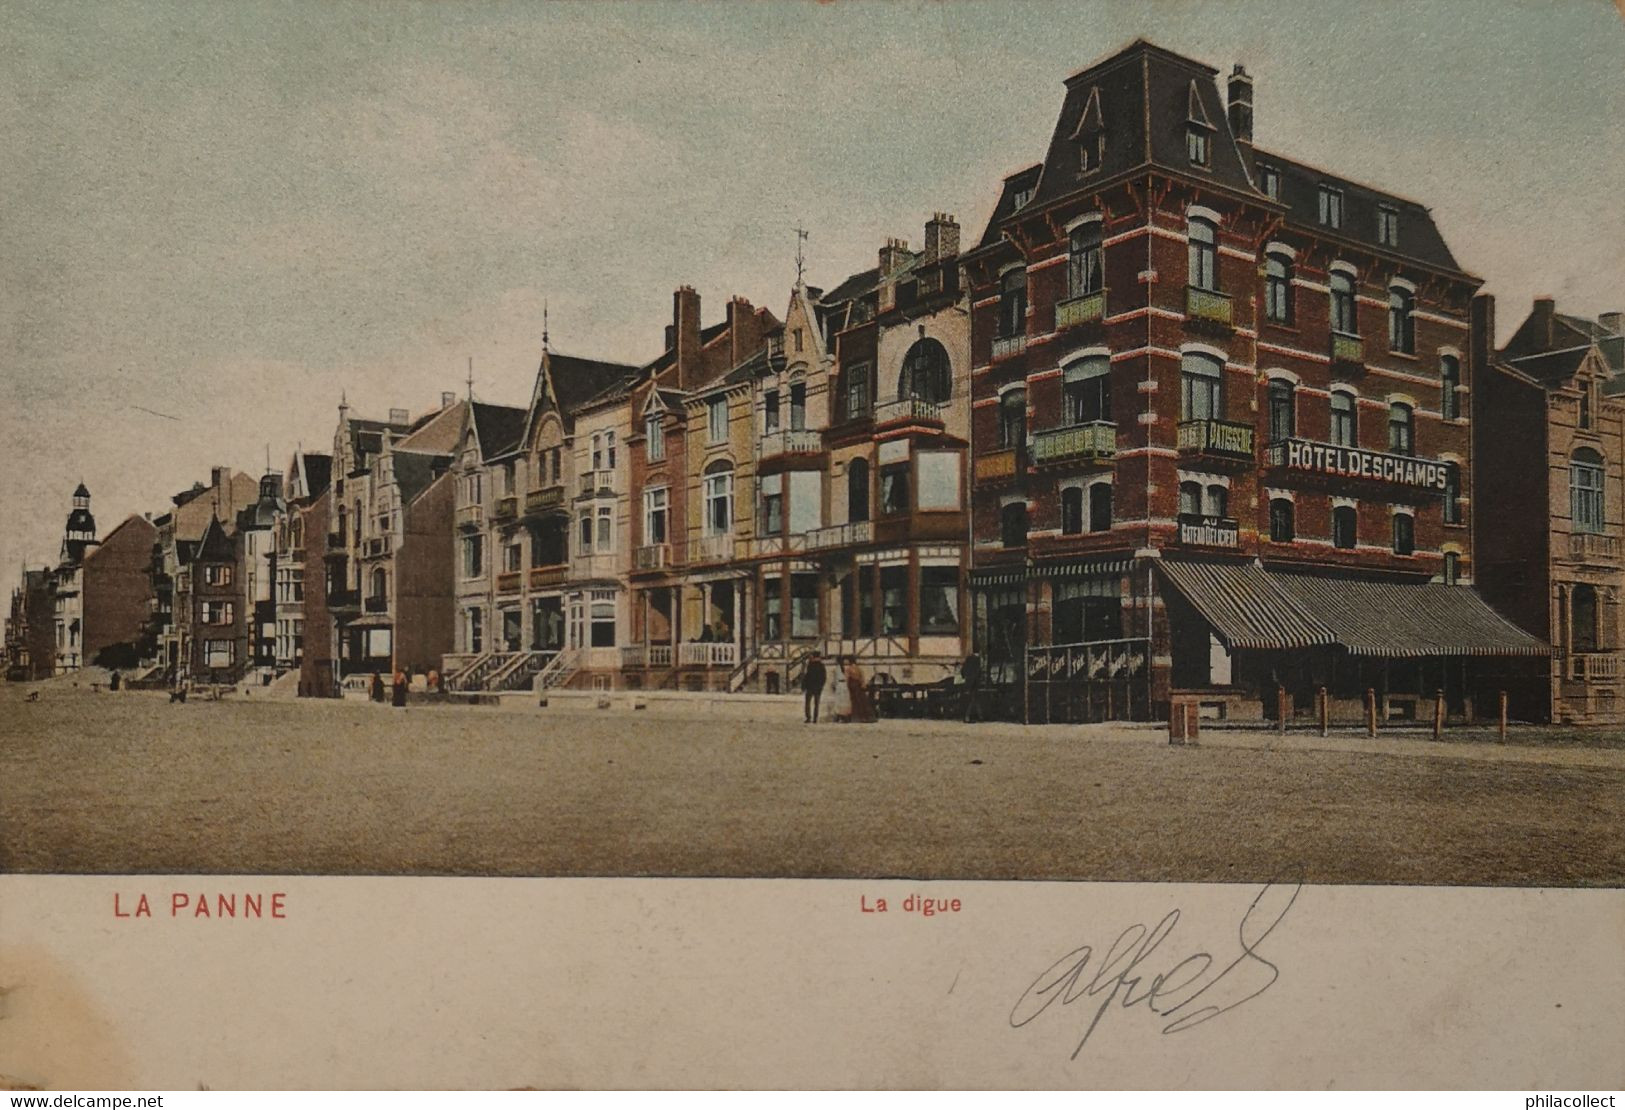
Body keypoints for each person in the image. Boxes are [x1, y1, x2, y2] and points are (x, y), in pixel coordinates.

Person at [844, 656, 877, 723]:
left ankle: (856, 718)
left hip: (852, 686)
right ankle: (867, 717)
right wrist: (863, 685)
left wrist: (846, 687)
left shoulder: (848, 669)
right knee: (862, 701)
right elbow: (862, 678)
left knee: (855, 702)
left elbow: (847, 679)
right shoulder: (859, 669)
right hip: (859, 686)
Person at [801, 651, 826, 724]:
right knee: (816, 703)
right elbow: (823, 677)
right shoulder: (821, 665)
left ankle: (808, 717)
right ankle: (815, 718)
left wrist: (804, 685)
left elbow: (807, 676)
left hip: (810, 686)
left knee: (808, 703)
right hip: (818, 687)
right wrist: (821, 685)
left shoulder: (810, 665)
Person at [960, 651, 982, 723]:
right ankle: (970, 716)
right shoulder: (976, 660)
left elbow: (962, 671)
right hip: (973, 682)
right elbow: (978, 671)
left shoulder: (969, 659)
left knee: (971, 699)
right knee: (972, 699)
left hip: (968, 681)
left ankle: (978, 715)